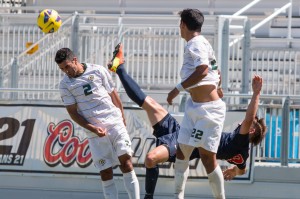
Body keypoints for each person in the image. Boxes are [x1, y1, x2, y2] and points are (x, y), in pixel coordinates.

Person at [107, 43, 266, 199]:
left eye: (247, 124)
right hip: (184, 131)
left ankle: (149, 196)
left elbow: (249, 117)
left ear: (251, 131)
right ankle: (119, 67)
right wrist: (234, 171)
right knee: (148, 103)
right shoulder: (242, 155)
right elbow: (242, 170)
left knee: (150, 158)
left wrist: (256, 93)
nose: (241, 123)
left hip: (187, 142)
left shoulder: (240, 139)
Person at [55, 48, 140, 199]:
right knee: (105, 172)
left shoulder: (98, 70)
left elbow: (114, 95)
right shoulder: (65, 85)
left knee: (126, 163)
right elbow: (73, 112)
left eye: (67, 66)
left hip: (114, 123)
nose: (66, 71)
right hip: (94, 132)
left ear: (75, 60)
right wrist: (92, 128)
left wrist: (122, 117)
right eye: (62, 69)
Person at [166, 9, 226, 199]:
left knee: (207, 158)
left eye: (179, 24)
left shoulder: (195, 43)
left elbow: (203, 69)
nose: (179, 28)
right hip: (194, 106)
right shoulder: (203, 43)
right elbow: (216, 70)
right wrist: (217, 85)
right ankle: (178, 196)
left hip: (208, 111)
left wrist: (177, 88)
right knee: (182, 152)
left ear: (183, 25)